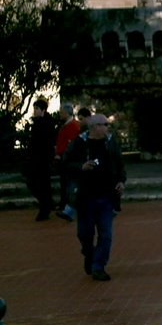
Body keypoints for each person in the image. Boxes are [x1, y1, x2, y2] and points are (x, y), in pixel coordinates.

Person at [64, 114, 126, 281]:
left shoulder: (110, 142)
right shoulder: (79, 143)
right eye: (104, 124)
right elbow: (65, 163)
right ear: (94, 127)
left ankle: (99, 266)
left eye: (107, 124)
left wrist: (121, 181)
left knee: (106, 235)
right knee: (84, 234)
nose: (107, 127)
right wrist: (81, 166)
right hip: (85, 197)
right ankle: (89, 254)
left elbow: (119, 163)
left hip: (106, 196)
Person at [24, 98, 56, 221]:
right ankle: (46, 205)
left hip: (41, 160)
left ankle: (45, 207)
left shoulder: (45, 123)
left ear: (42, 110)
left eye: (36, 109)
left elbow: (45, 142)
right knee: (38, 184)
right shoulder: (40, 122)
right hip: (38, 159)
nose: (35, 111)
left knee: (38, 184)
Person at [54, 103, 81, 220]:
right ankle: (66, 207)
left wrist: (61, 154)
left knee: (68, 184)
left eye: (62, 112)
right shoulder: (69, 125)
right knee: (66, 183)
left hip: (67, 159)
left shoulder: (72, 126)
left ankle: (68, 208)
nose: (60, 114)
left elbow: (70, 144)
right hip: (64, 158)